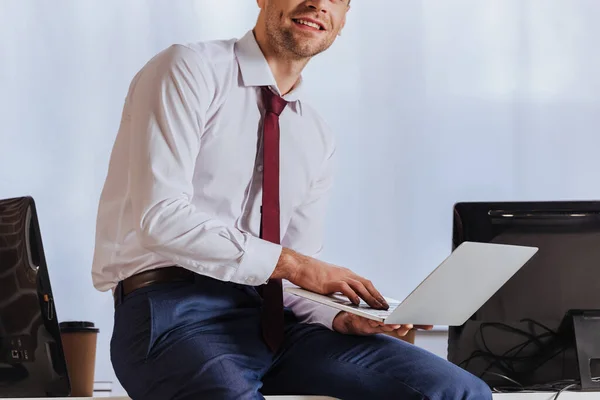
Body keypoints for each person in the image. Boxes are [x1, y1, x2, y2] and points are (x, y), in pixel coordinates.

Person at [92, 0, 493, 399]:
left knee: (458, 391)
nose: (318, 4)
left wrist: (339, 316)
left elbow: (294, 281)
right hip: (173, 314)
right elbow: (160, 217)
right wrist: (295, 265)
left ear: (343, 18)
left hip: (274, 321)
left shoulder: (315, 134)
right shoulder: (187, 68)